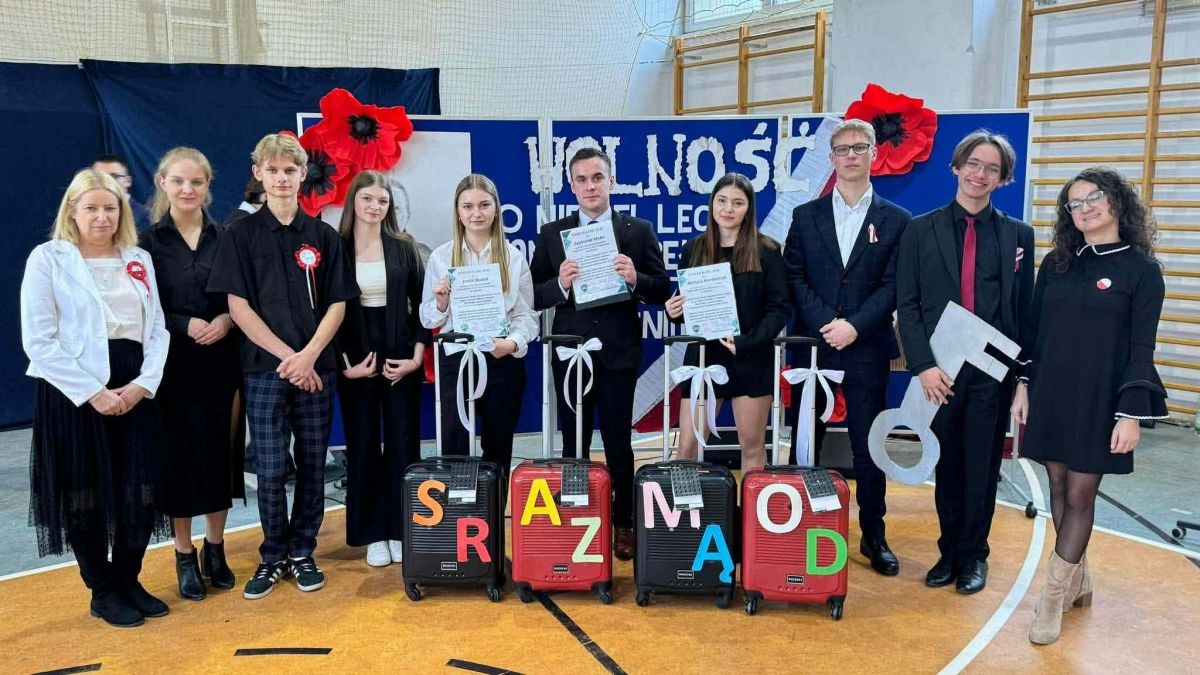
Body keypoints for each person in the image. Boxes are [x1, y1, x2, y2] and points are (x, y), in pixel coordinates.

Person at [1012, 167, 1166, 644]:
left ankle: (1051, 596)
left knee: (1080, 494)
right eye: (1074, 203)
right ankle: (1078, 580)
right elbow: (1033, 332)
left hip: (1101, 399)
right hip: (1052, 392)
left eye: (1093, 197)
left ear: (1117, 201)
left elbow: (1141, 349)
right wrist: (1023, 385)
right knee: (1057, 484)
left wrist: (1130, 414)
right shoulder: (1055, 265)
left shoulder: (1142, 272)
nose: (1084, 208)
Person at [207, 132, 356, 600]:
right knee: (271, 469)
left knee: (313, 464)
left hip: (317, 369)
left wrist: (308, 356)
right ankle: (272, 554)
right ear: (259, 174)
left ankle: (302, 550)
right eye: (272, 170)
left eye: (290, 170)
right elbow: (237, 306)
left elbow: (337, 303)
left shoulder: (323, 235)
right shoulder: (239, 234)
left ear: (302, 174)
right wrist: (288, 358)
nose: (281, 178)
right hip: (264, 370)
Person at [21, 169, 171, 627]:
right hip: (74, 392)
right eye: (91, 208)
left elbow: (158, 329)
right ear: (72, 211)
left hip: (135, 388)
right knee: (83, 493)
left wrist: (144, 383)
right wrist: (93, 393)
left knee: (141, 489)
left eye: (111, 208)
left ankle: (128, 578)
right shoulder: (48, 259)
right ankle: (102, 590)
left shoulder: (138, 258)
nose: (102, 217)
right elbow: (39, 341)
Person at [896, 130, 1034, 595]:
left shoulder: (1019, 235)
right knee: (948, 466)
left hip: (993, 374)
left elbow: (1024, 311)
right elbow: (908, 305)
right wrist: (923, 365)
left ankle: (975, 555)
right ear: (956, 167)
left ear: (1002, 178)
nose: (980, 174)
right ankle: (949, 552)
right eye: (973, 164)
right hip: (940, 371)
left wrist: (1023, 378)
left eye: (992, 168)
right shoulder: (920, 229)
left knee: (981, 468)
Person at [783, 119, 912, 576]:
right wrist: (827, 324)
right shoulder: (805, 216)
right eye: (842, 149)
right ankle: (794, 529)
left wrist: (854, 326)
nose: (851, 155)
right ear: (832, 157)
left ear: (874, 153)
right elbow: (794, 276)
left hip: (866, 346)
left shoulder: (898, 220)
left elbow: (896, 284)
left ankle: (873, 535)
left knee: (868, 445)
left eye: (860, 147)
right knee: (805, 442)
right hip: (813, 346)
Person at [529, 147, 670, 560]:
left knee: (617, 443)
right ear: (571, 186)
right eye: (582, 179)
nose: (590, 186)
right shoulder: (553, 233)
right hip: (571, 354)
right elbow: (533, 294)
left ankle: (623, 521)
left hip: (618, 354)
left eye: (597, 178)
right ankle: (578, 519)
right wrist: (560, 284)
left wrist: (635, 278)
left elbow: (662, 288)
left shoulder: (637, 230)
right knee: (573, 443)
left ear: (611, 181)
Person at [140, 147, 243, 601]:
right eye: (179, 181)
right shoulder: (146, 243)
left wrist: (226, 320)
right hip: (173, 366)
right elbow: (142, 308)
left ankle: (215, 547)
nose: (188, 189)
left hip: (222, 362)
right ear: (163, 183)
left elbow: (243, 295)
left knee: (220, 454)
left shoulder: (227, 238)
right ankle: (183, 553)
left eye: (196, 182)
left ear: (208, 186)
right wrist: (183, 324)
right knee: (178, 459)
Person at [334, 170, 429, 567]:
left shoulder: (404, 246)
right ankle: (373, 533)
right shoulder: (335, 247)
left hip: (400, 357)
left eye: (382, 201)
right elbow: (324, 311)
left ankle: (401, 529)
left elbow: (423, 307)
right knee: (363, 445)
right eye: (368, 199)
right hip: (356, 358)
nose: (375, 207)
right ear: (353, 201)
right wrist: (344, 367)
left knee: (404, 444)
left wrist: (417, 359)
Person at [665, 173, 790, 471]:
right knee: (687, 446)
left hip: (751, 358)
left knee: (752, 446)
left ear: (749, 208)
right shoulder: (693, 249)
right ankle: (687, 503)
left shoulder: (768, 250)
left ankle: (750, 503)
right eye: (721, 201)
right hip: (704, 358)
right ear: (712, 204)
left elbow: (779, 309)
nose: (728, 209)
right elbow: (687, 305)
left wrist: (746, 342)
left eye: (737, 203)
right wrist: (674, 310)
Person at [421, 174, 538, 475]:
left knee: (498, 445)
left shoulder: (513, 258)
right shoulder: (441, 257)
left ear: (496, 209)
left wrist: (511, 343)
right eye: (468, 206)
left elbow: (526, 315)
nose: (477, 213)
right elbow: (428, 318)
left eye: (484, 205)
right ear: (458, 212)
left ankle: (493, 505)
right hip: (456, 360)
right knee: (454, 444)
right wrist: (441, 302)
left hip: (501, 356)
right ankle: (458, 504)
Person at [92, 154, 151, 230]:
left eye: (114, 177)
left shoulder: (144, 216)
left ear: (128, 181)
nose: (106, 182)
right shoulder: (84, 213)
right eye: (99, 177)